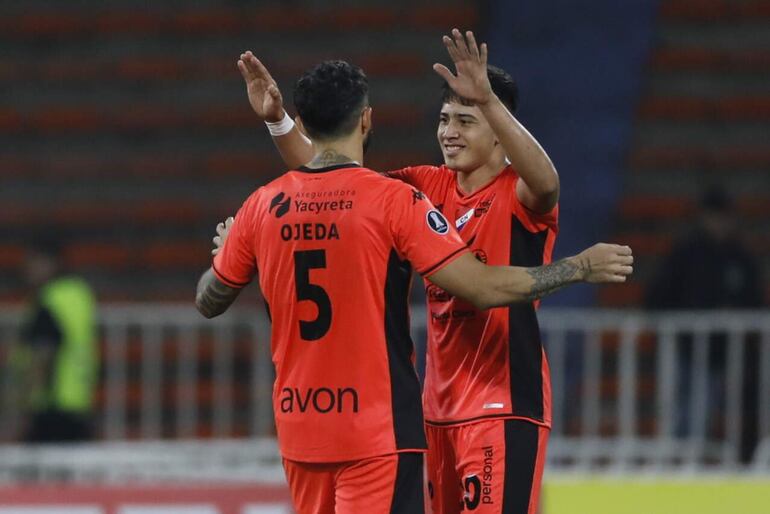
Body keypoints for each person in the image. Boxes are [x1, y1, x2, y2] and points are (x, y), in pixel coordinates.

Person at [199, 57, 632, 514]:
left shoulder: (518, 192)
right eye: (444, 120)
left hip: (500, 404)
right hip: (436, 410)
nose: (449, 132)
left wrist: (488, 100)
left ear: (500, 133)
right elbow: (333, 178)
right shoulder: (424, 186)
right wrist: (280, 124)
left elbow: (547, 184)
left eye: (465, 121)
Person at [646, 186, 763, 463]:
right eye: (714, 216)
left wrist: (731, 315)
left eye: (724, 217)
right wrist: (685, 318)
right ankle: (675, 464)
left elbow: (754, 302)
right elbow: (657, 297)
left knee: (702, 412)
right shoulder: (686, 253)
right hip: (682, 347)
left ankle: (692, 463)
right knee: (675, 411)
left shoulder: (739, 257)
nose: (719, 223)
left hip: (720, 354)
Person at [12, 236, 98, 443]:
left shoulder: (50, 299)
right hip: (78, 402)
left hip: (51, 407)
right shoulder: (78, 293)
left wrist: (25, 403)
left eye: (32, 262)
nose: (27, 269)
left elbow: (44, 351)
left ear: (50, 262)